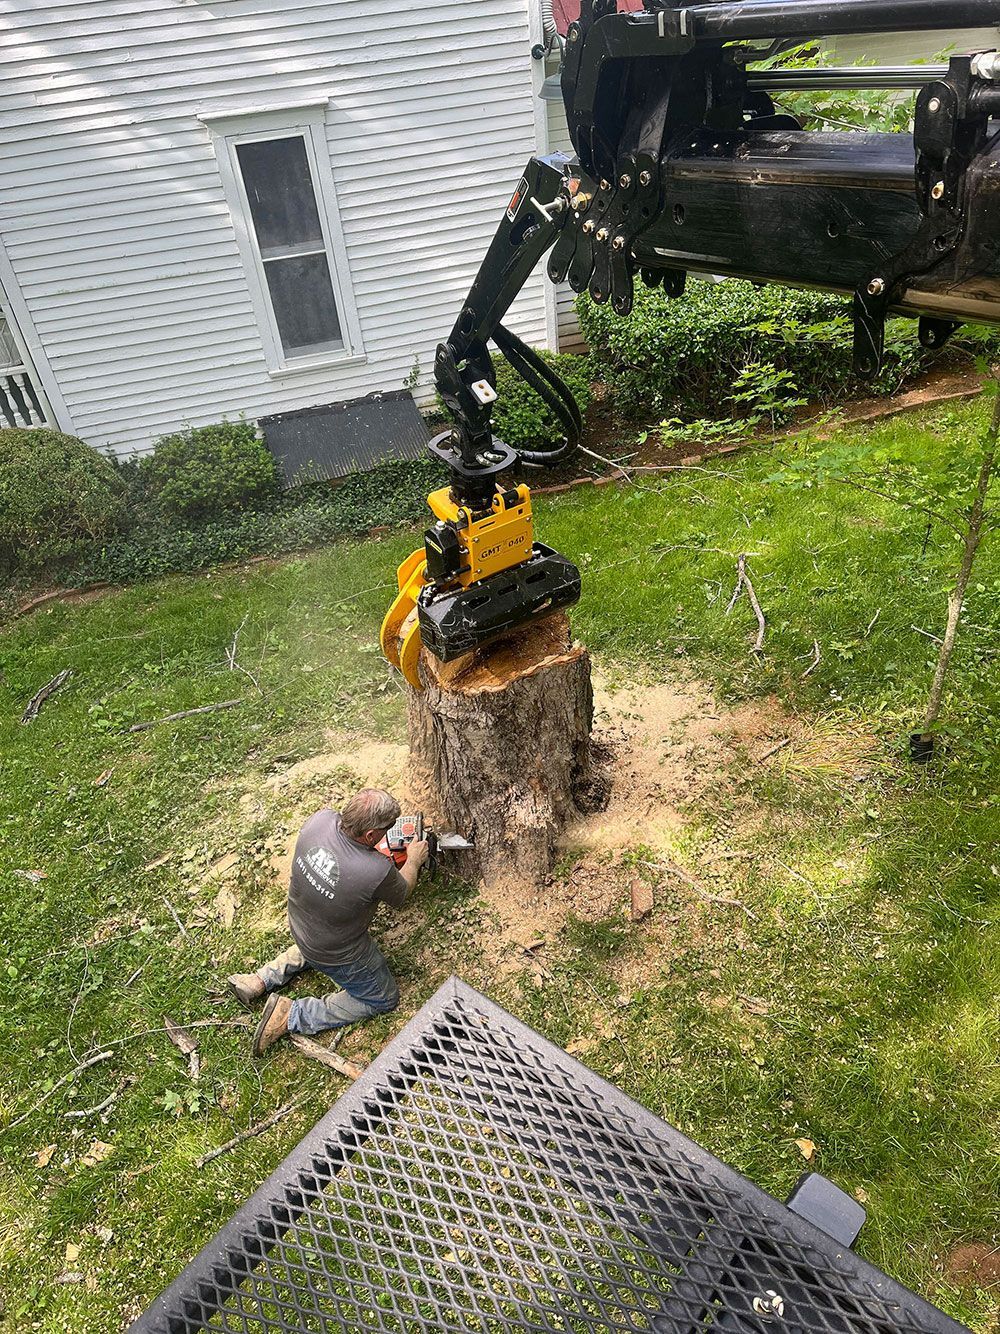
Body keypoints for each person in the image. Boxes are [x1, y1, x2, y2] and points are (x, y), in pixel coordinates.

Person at [226, 787, 429, 1056]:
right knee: (382, 998)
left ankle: (261, 979)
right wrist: (413, 861)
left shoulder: (320, 820)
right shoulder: (377, 870)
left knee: (320, 935)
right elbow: (401, 894)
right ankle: (292, 1015)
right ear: (370, 835)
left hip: (302, 924)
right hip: (335, 950)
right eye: (387, 828)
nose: (389, 831)